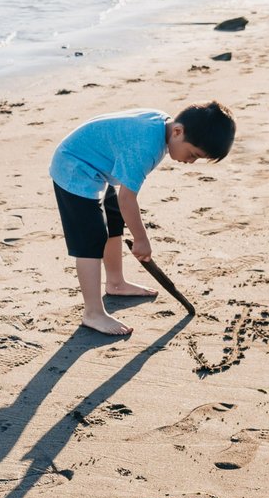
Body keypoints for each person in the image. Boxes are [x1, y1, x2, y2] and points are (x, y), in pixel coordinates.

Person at [49, 101, 235, 335]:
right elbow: (127, 198)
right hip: (74, 167)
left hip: (97, 167)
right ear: (178, 132)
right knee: (91, 239)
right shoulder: (146, 147)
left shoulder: (163, 125)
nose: (190, 162)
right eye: (193, 154)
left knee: (114, 221)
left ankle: (115, 282)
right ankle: (93, 312)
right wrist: (141, 239)